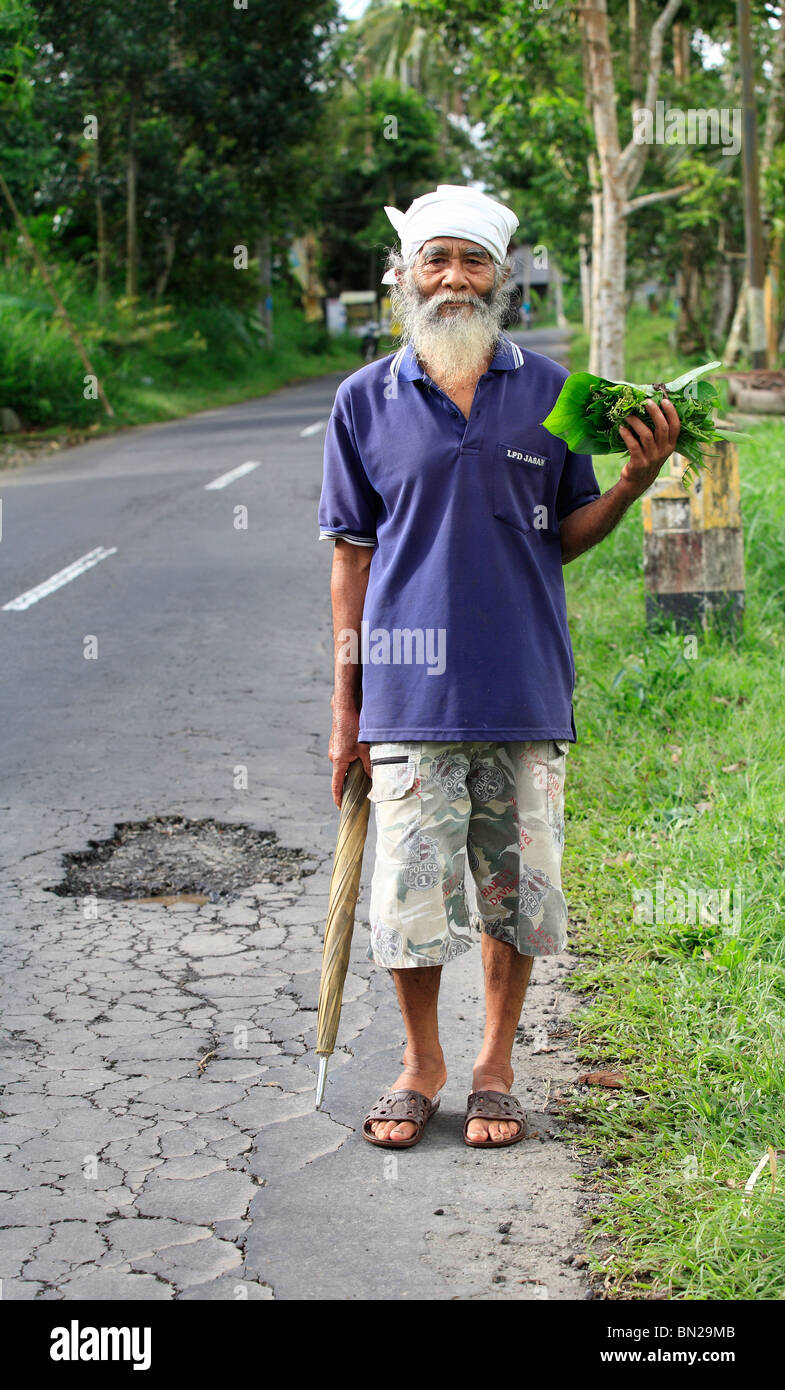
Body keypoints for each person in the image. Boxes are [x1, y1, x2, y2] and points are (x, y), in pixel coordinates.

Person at [317, 184, 680, 1149]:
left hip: (523, 678)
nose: (452, 279)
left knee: (516, 892)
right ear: (403, 276)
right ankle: (420, 1061)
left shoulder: (556, 394)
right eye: (435, 260)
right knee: (409, 893)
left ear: (501, 276)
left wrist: (636, 483)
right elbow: (351, 558)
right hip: (404, 689)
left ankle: (495, 1065)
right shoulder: (364, 401)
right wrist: (346, 706)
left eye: (471, 262)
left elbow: (562, 535)